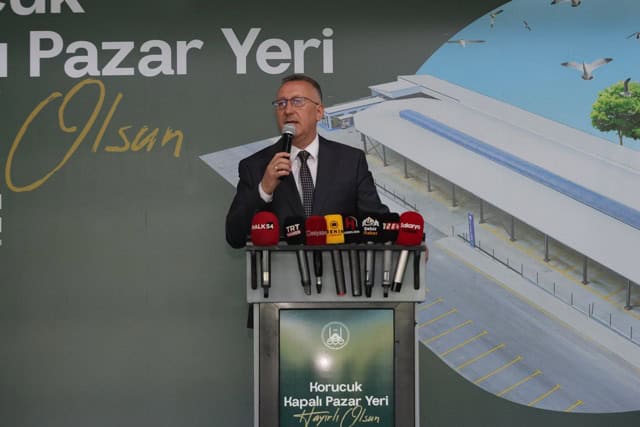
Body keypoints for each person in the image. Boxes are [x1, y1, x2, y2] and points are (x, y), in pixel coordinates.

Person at [225, 74, 388, 248]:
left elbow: (378, 223)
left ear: (319, 112)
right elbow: (235, 237)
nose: (288, 110)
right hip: (282, 265)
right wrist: (264, 189)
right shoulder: (255, 166)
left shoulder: (350, 161)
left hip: (339, 264)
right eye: (281, 104)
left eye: (297, 101)